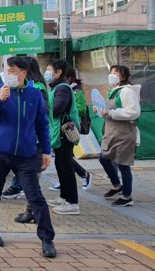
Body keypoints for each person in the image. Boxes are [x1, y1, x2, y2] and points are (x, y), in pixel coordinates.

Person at [0, 56, 56, 259]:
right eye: (7, 70)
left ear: (23, 73)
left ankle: (47, 239)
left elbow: (42, 124)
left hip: (26, 155)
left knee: (35, 197)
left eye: (13, 71)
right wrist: (0, 99)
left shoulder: (34, 94)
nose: (9, 74)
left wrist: (46, 151)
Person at [12, 57, 50, 224]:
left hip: (34, 140)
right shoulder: (29, 87)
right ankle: (32, 210)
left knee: (33, 180)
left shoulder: (36, 89)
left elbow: (41, 117)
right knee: (32, 179)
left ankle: (32, 211)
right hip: (27, 140)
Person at [97, 65, 141, 207]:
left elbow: (133, 112)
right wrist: (102, 112)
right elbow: (110, 111)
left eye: (115, 73)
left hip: (124, 134)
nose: (112, 75)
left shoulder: (127, 92)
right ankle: (117, 185)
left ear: (123, 76)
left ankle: (127, 196)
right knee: (104, 157)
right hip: (112, 132)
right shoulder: (113, 91)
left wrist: (111, 113)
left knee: (123, 165)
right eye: (111, 72)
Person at [44, 59, 81, 215]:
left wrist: (42, 111)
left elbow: (57, 109)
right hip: (59, 133)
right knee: (61, 165)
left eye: (49, 69)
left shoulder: (63, 88)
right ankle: (64, 197)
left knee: (66, 166)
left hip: (65, 133)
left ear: (58, 72)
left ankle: (72, 203)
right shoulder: (56, 87)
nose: (47, 72)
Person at [47, 68, 93, 192]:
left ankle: (82, 176)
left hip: (68, 128)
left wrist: (69, 110)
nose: (49, 74)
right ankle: (66, 184)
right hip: (57, 128)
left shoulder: (75, 91)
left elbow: (81, 109)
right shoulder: (58, 89)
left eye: (50, 71)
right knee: (62, 158)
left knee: (65, 158)